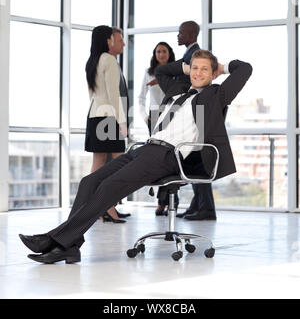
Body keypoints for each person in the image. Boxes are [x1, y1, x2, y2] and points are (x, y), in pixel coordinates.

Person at [19, 49, 252, 264]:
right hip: (144, 149)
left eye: (204, 69)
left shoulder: (215, 95)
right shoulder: (177, 90)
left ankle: (54, 239)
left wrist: (221, 67)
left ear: (213, 74)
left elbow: (245, 69)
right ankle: (69, 245)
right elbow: (161, 70)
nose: (198, 73)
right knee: (89, 182)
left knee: (109, 186)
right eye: (194, 68)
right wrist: (189, 65)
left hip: (169, 155)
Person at [163, 20, 217, 220]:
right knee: (194, 161)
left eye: (180, 32)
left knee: (196, 160)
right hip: (194, 114)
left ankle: (206, 208)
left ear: (191, 34)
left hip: (193, 115)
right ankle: (199, 205)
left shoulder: (193, 56)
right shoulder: (189, 55)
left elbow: (188, 86)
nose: (178, 36)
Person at [84, 25, 130, 223]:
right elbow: (114, 94)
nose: (115, 40)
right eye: (112, 37)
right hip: (109, 117)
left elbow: (93, 94)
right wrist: (122, 122)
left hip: (95, 116)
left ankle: (94, 205)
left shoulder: (92, 61)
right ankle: (107, 206)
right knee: (120, 164)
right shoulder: (109, 60)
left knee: (99, 164)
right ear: (106, 40)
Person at [138, 42, 177, 216]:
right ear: (154, 54)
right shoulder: (149, 73)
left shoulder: (176, 72)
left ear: (170, 53)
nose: (161, 54)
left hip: (172, 116)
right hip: (154, 117)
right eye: (158, 51)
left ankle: (169, 202)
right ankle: (162, 202)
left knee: (171, 159)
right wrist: (144, 116)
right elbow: (140, 97)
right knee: (157, 160)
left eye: (164, 51)